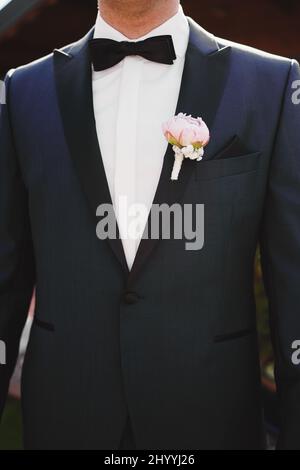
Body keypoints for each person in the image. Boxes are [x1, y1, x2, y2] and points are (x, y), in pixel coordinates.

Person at [0, 0, 300, 450]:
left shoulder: (273, 84)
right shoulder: (22, 91)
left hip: (211, 419)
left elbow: (293, 283)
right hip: (66, 418)